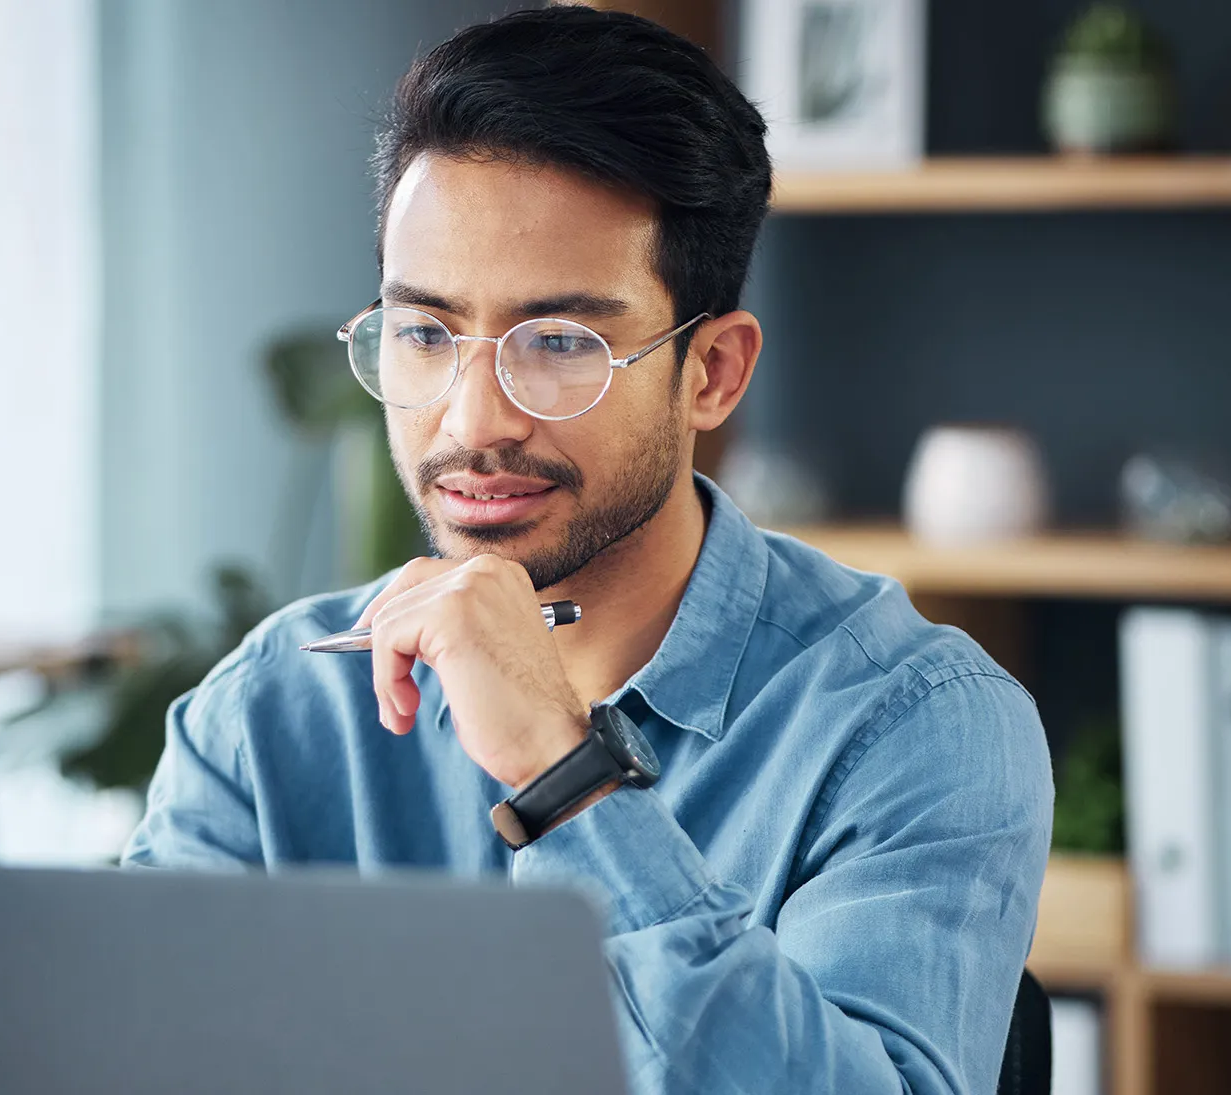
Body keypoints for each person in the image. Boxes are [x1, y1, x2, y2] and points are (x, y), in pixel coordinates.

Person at [123, 7, 1052, 1093]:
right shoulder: (270, 712)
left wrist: (565, 776)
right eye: (425, 333)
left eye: (559, 343)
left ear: (711, 373)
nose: (473, 420)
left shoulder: (914, 724)